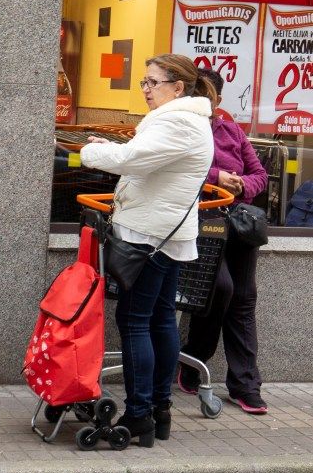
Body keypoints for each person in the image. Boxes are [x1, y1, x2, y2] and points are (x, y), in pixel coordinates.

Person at [79, 54, 216, 447]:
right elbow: (147, 157)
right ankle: (159, 411)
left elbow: (132, 161)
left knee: (137, 320)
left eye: (152, 83)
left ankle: (140, 414)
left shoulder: (178, 121)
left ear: (178, 88)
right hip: (166, 236)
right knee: (159, 320)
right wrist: (115, 147)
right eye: (143, 82)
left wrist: (92, 153)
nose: (146, 90)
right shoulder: (187, 121)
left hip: (148, 237)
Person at [178, 69, 270, 415]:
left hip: (238, 223)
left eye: (211, 96)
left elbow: (259, 174)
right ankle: (193, 359)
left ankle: (246, 385)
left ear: (218, 98)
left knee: (244, 298)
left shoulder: (232, 130)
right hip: (203, 222)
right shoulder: (183, 128)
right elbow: (177, 166)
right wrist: (218, 178)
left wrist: (243, 186)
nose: (206, 103)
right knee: (220, 288)